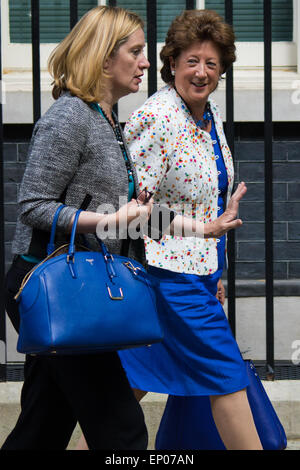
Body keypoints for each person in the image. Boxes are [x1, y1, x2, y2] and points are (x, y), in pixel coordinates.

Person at [76, 9, 262, 451]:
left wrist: (214, 269)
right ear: (173, 62)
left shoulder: (210, 114)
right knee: (226, 373)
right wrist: (202, 232)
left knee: (137, 381)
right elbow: (130, 209)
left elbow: (211, 205)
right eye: (192, 61)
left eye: (212, 64)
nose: (202, 72)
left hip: (197, 273)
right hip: (164, 274)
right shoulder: (158, 117)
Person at [2, 5, 153, 450]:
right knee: (123, 431)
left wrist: (200, 229)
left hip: (73, 286)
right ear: (105, 59)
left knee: (43, 427)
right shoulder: (70, 116)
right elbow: (33, 205)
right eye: (137, 51)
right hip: (51, 286)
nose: (146, 62)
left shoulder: (106, 119)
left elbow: (114, 214)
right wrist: (108, 219)